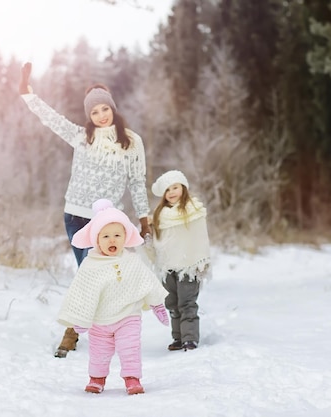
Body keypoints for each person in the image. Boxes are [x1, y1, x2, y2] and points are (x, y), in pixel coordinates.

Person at [18, 62, 152, 358]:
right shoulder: (82, 137)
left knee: (100, 276)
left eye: (104, 109)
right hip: (76, 217)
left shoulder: (131, 142)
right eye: (94, 112)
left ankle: (95, 330)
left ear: (112, 109)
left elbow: (137, 181)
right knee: (86, 275)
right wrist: (27, 93)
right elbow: (51, 119)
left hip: (107, 223)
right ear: (89, 116)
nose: (101, 116)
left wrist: (144, 217)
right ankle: (77, 330)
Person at [57, 199, 168, 395]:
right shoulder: (90, 265)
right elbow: (83, 291)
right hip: (100, 321)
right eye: (106, 236)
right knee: (99, 351)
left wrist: (157, 304)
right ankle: (96, 378)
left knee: (130, 348)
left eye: (117, 235)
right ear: (96, 240)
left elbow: (146, 281)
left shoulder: (131, 261)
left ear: (125, 237)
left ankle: (132, 379)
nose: (112, 240)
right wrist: (80, 319)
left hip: (128, 317)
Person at [149, 170, 211, 351]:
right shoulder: (160, 215)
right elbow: (157, 242)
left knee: (187, 303)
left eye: (175, 187)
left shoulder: (194, 210)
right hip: (168, 266)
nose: (171, 192)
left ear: (183, 187)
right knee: (172, 303)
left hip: (189, 266)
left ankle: (190, 338)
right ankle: (178, 337)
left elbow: (200, 238)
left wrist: (201, 261)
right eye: (167, 189)